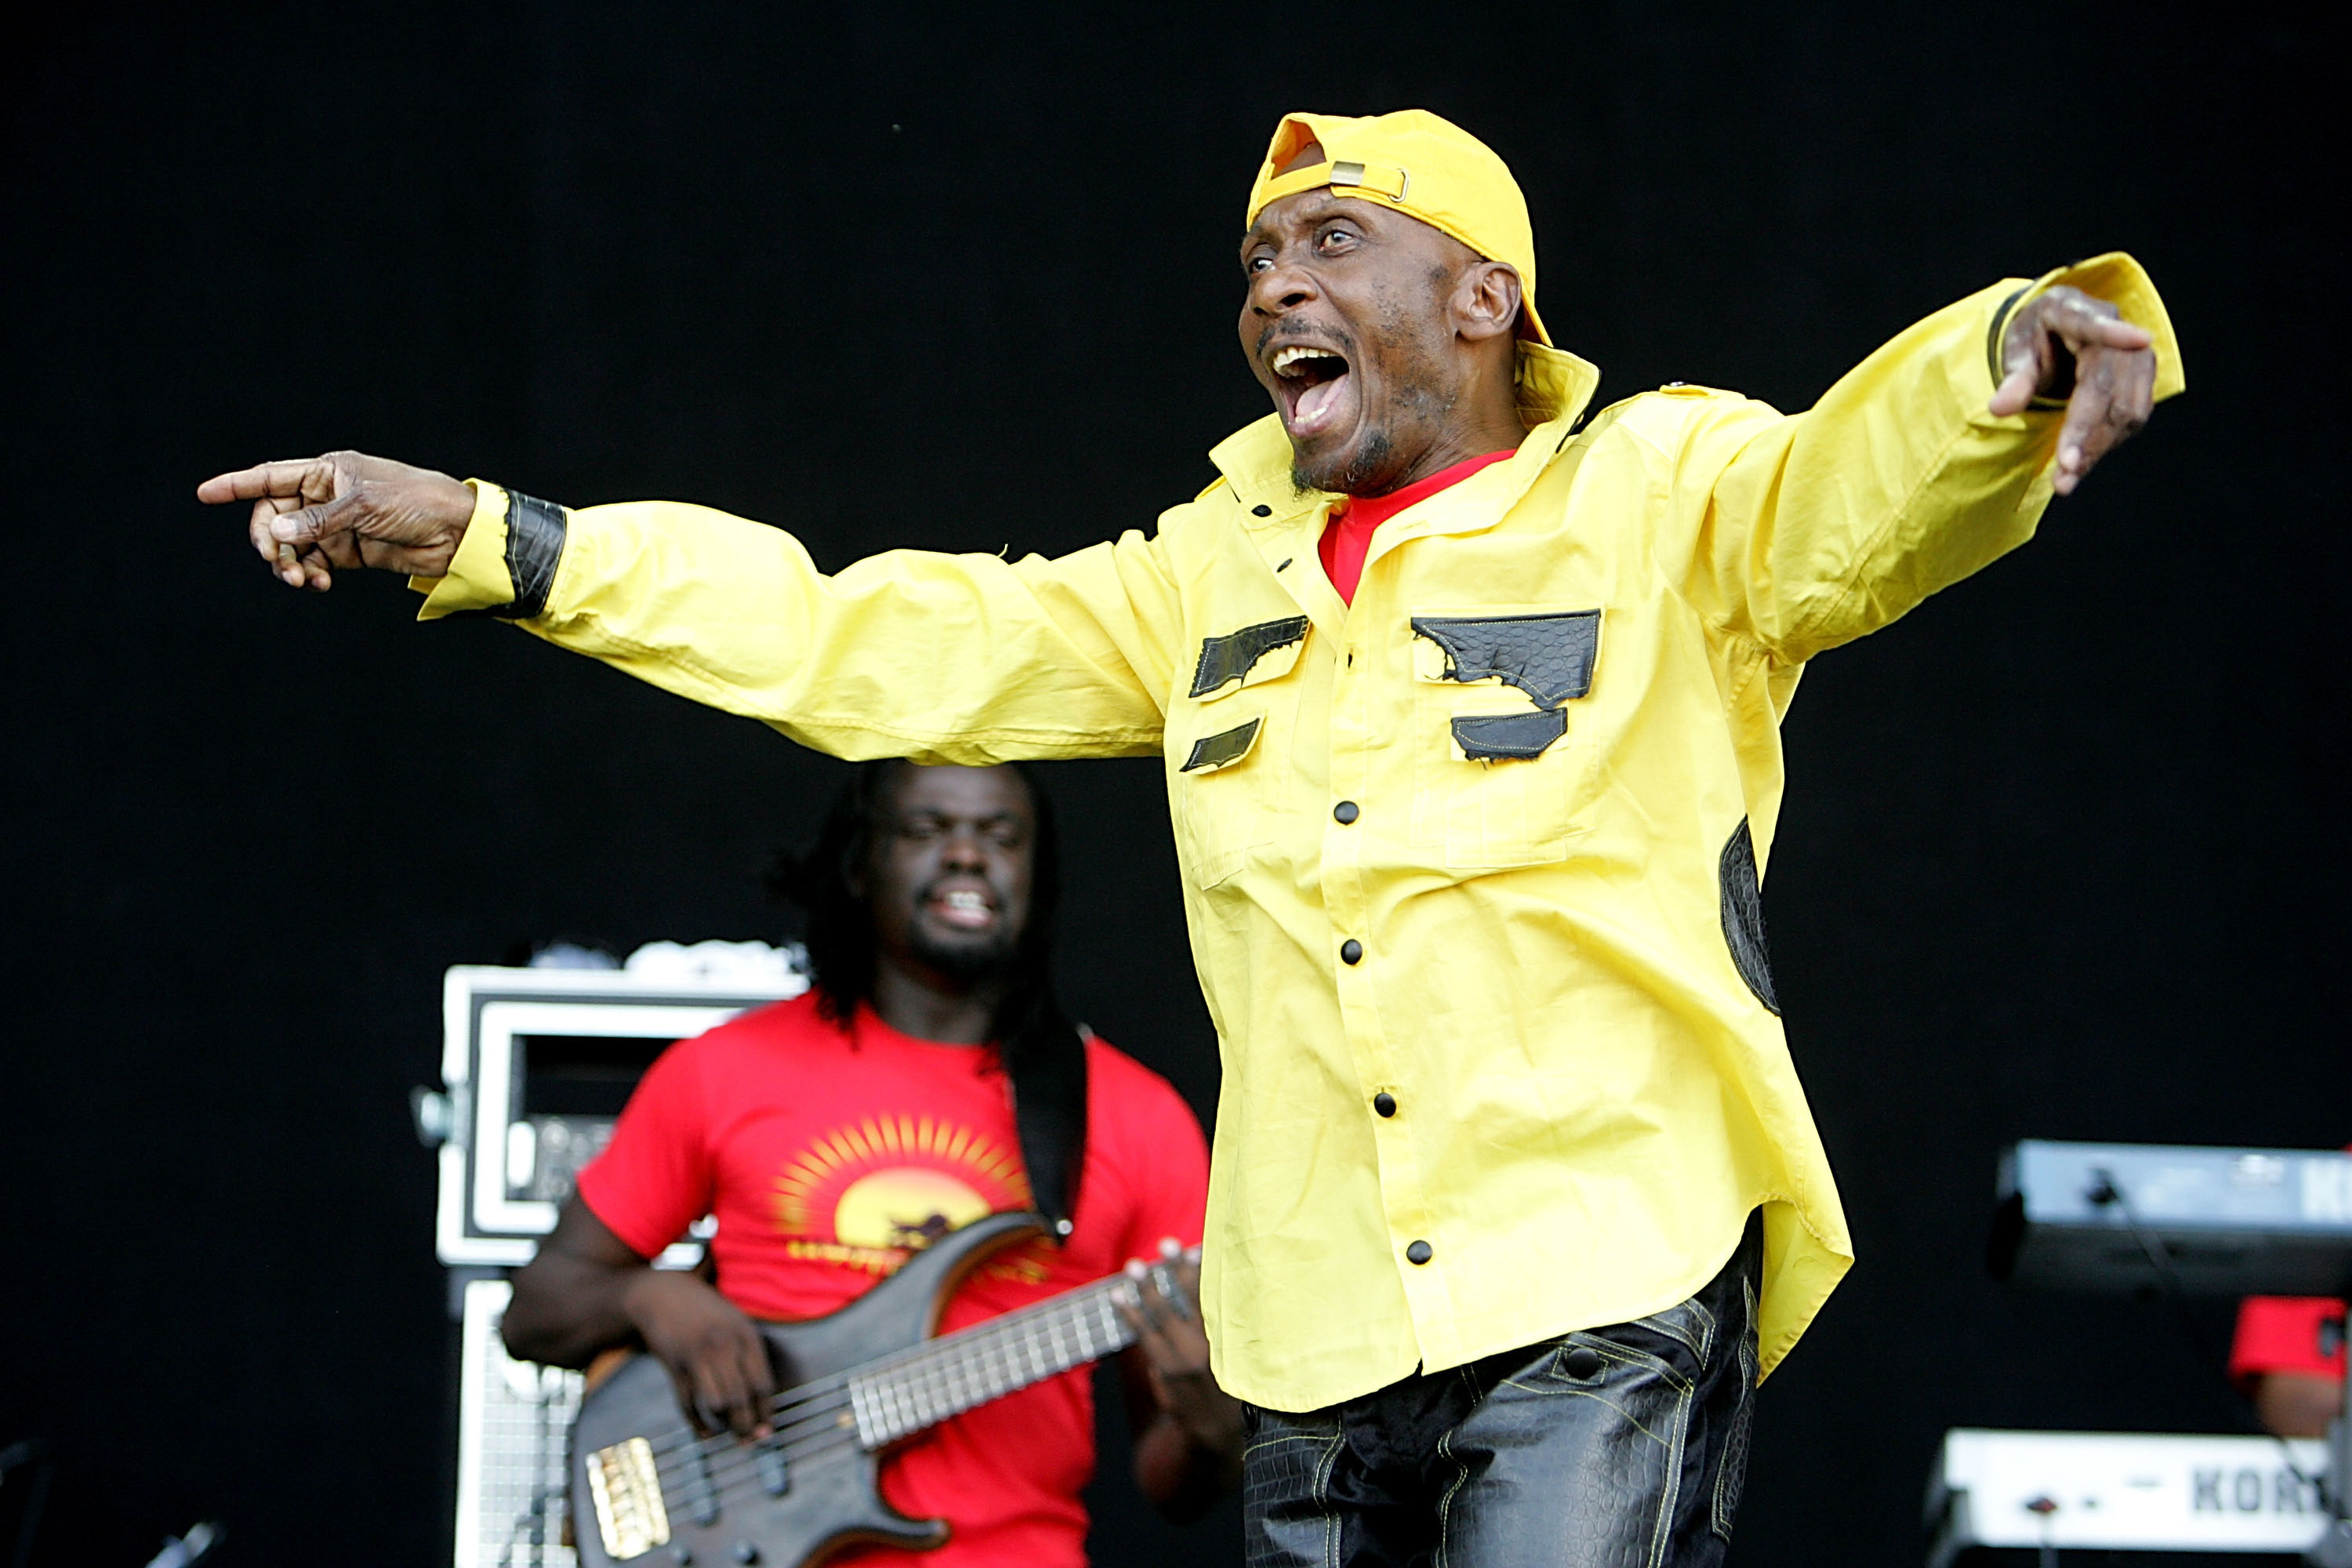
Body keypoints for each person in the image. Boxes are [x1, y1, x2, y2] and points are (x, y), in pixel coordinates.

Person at [205, 108, 2180, 1564]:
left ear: (1483, 297)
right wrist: (495, 534)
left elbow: (1859, 487)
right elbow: (856, 637)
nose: (1271, 290)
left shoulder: (1655, 488)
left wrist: (2010, 338)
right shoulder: (1200, 574)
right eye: (1253, 266)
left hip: (1587, 1275)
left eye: (1327, 241)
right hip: (1310, 1329)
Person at [498, 760, 1243, 1564]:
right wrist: (654, 1294)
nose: (967, 854)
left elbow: (1172, 1484)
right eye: (928, 829)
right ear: (859, 864)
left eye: (1001, 835)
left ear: (1037, 876)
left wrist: (1212, 1428)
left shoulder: (1134, 1114)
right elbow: (536, 1309)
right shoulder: (724, 1069)